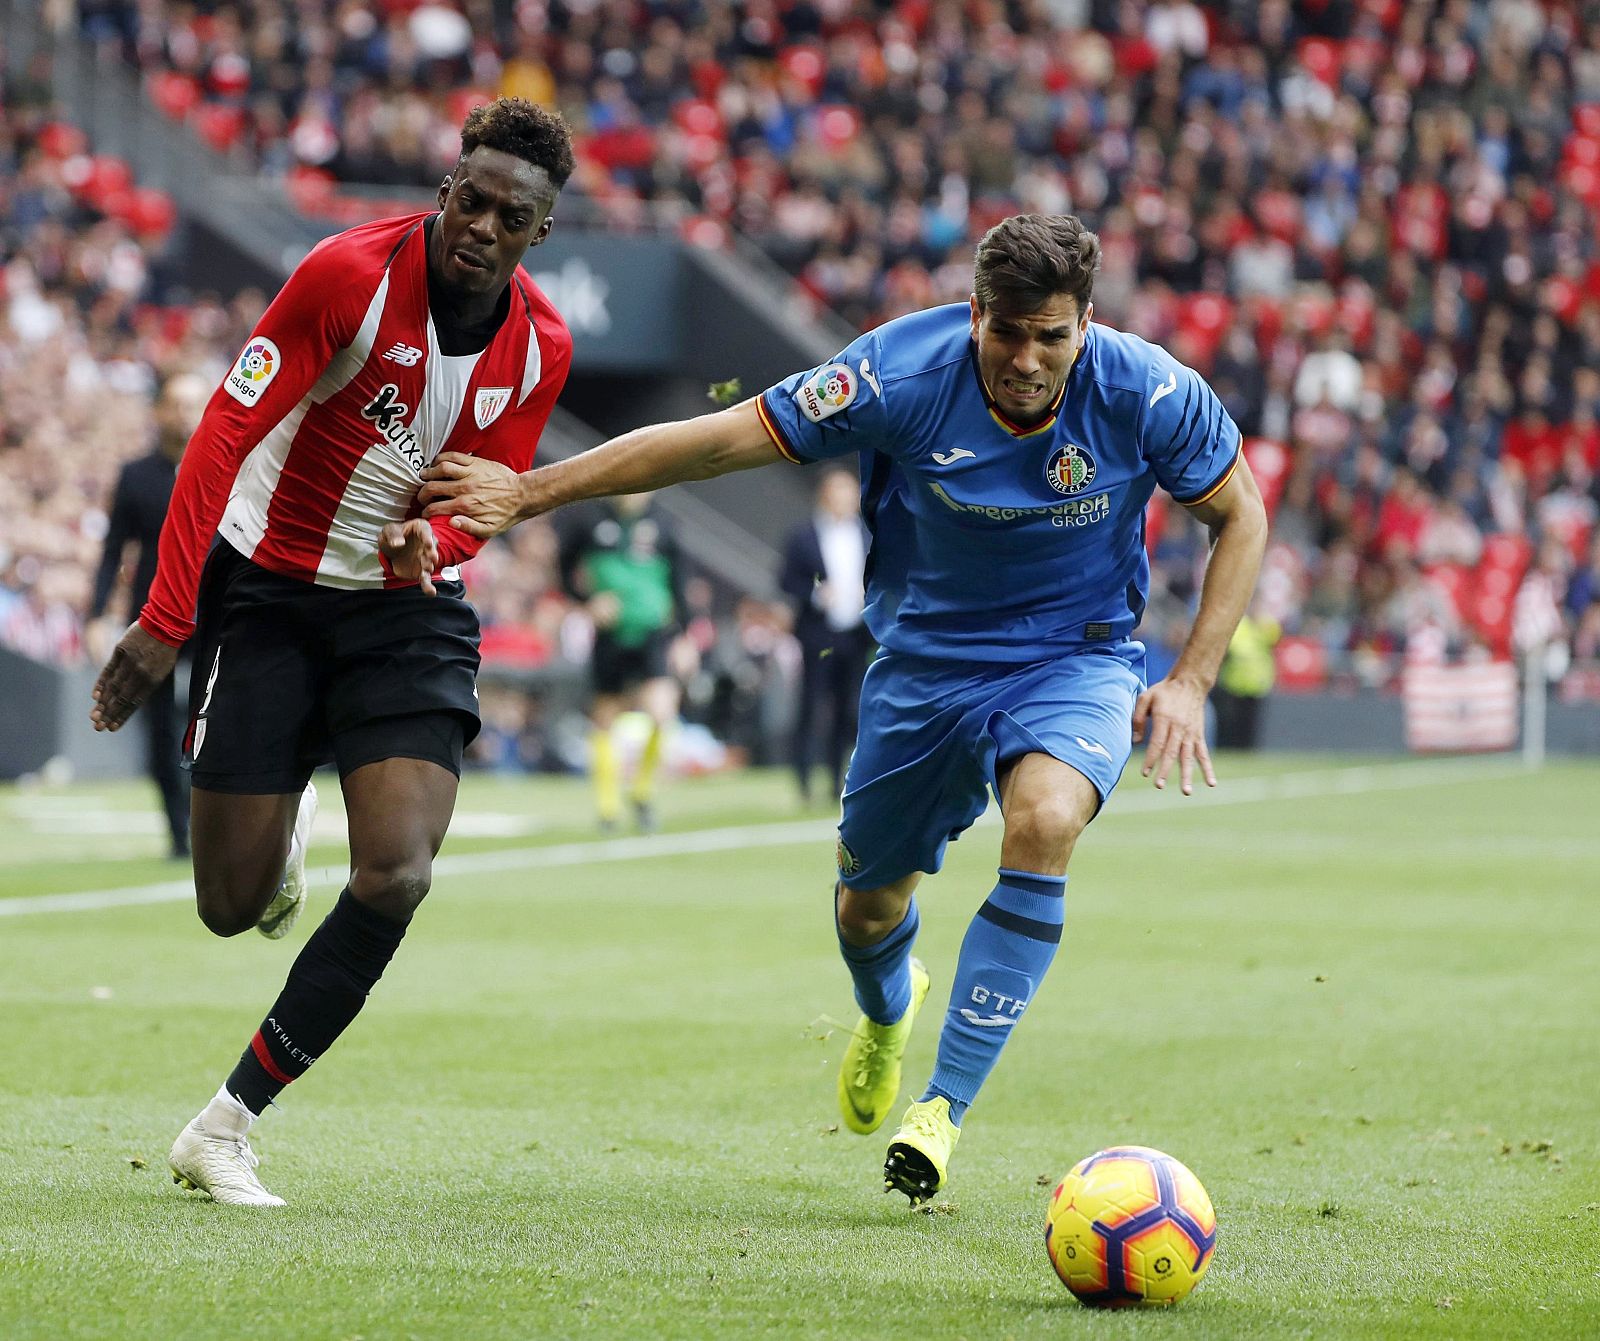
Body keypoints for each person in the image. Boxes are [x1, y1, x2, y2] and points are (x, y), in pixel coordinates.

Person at [416, 213, 1267, 1202]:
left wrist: (1191, 678)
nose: (1028, 359)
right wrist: (527, 493)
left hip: (1072, 661)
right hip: (926, 666)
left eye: (1052, 335)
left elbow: (1237, 512)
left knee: (1043, 820)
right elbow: (714, 443)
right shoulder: (894, 375)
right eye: (1007, 331)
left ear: (1086, 325)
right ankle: (886, 1011)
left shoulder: (1150, 391)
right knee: (867, 910)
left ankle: (941, 1111)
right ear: (973, 315)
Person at [88, 98, 576, 1207]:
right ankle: (291, 800)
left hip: (405, 612)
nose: (483, 228)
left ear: (538, 234)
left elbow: (483, 498)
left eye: (512, 217)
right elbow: (220, 434)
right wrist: (168, 619)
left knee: (399, 868)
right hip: (266, 590)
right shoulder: (344, 277)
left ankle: (224, 1127)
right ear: (447, 189)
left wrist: (435, 539)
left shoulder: (541, 345)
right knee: (226, 902)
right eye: (473, 200)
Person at [87, 371, 210, 859]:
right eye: (176, 404)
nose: (184, 415)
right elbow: (114, 548)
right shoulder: (136, 475)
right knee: (157, 728)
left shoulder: (226, 466)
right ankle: (178, 834)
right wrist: (97, 613)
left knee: (213, 720)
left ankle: (211, 825)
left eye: (193, 404)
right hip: (156, 618)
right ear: (158, 411)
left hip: (214, 616)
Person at [559, 494, 684, 831]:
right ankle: (608, 809)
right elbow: (564, 568)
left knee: (661, 712)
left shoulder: (665, 523)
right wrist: (587, 601)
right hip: (610, 636)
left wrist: (683, 636)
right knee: (605, 716)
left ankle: (642, 792)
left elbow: (680, 582)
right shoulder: (590, 521)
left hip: (652, 632)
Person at [780, 467, 872, 805]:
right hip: (818, 635)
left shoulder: (867, 534)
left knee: (850, 707)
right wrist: (819, 594)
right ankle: (803, 781)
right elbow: (787, 581)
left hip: (856, 633)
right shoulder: (803, 535)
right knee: (812, 705)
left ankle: (837, 780)